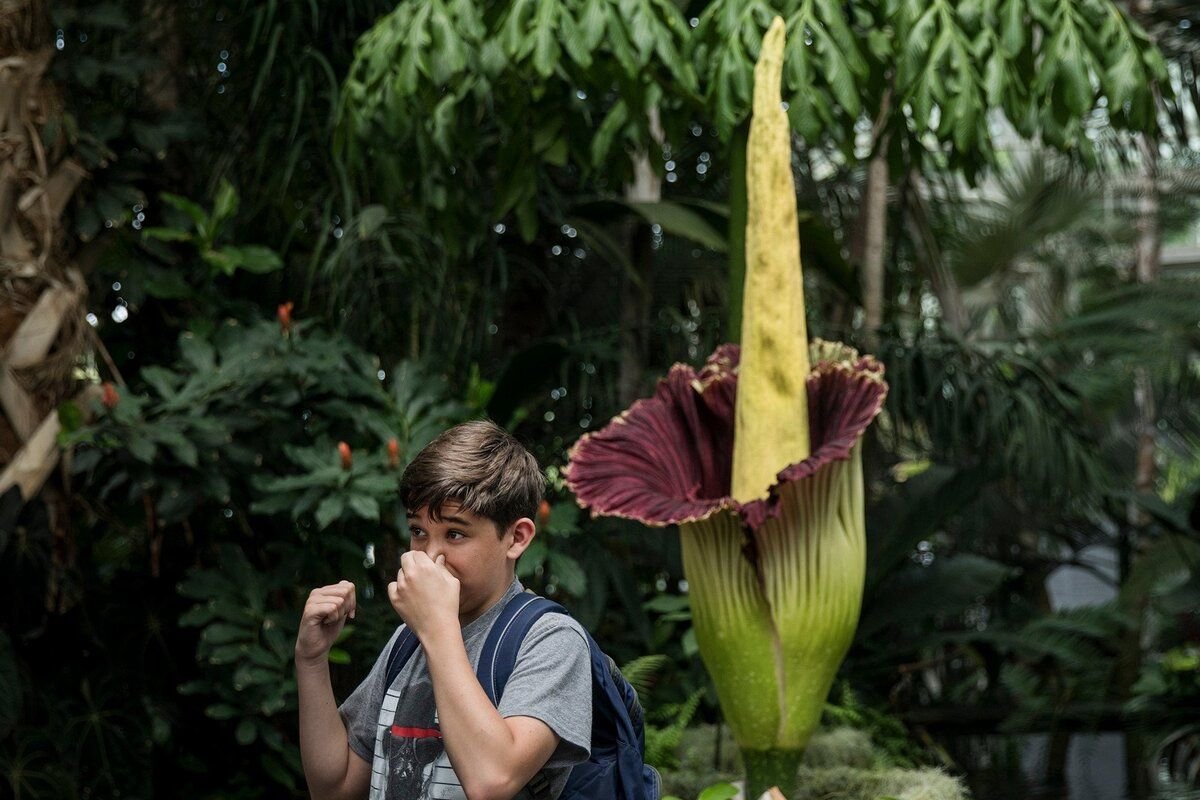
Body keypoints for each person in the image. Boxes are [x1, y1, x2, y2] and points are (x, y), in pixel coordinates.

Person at [296, 420, 593, 800]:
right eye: (418, 532)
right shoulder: (408, 640)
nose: (429, 557)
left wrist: (436, 627)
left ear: (516, 538)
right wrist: (311, 661)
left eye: (455, 534)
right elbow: (333, 789)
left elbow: (492, 780)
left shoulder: (551, 640)